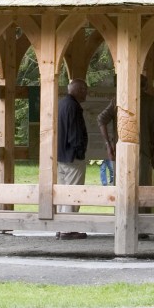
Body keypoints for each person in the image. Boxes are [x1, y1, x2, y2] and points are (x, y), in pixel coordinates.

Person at [98, 76, 154, 234]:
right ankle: (143, 228)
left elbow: (101, 120)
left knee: (121, 187)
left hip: (121, 153)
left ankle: (121, 225)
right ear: (145, 85)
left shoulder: (118, 101)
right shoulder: (152, 102)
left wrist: (109, 144)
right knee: (143, 189)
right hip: (144, 153)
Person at [57, 77, 89, 239]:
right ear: (78, 90)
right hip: (72, 156)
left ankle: (61, 225)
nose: (86, 93)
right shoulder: (74, 107)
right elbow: (75, 133)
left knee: (63, 191)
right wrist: (80, 151)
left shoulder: (61, 104)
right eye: (84, 90)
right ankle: (68, 229)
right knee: (73, 192)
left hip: (61, 155)